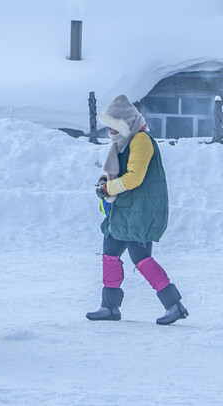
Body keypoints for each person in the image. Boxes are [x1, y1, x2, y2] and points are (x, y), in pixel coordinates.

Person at [86, 94, 188, 325]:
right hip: (122, 211)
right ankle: (109, 307)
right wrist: (105, 182)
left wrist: (108, 188)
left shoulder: (140, 140)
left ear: (124, 124)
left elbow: (134, 177)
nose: (109, 131)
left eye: (113, 126)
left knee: (141, 258)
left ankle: (174, 305)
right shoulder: (123, 143)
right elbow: (118, 171)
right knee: (110, 254)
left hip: (139, 212)